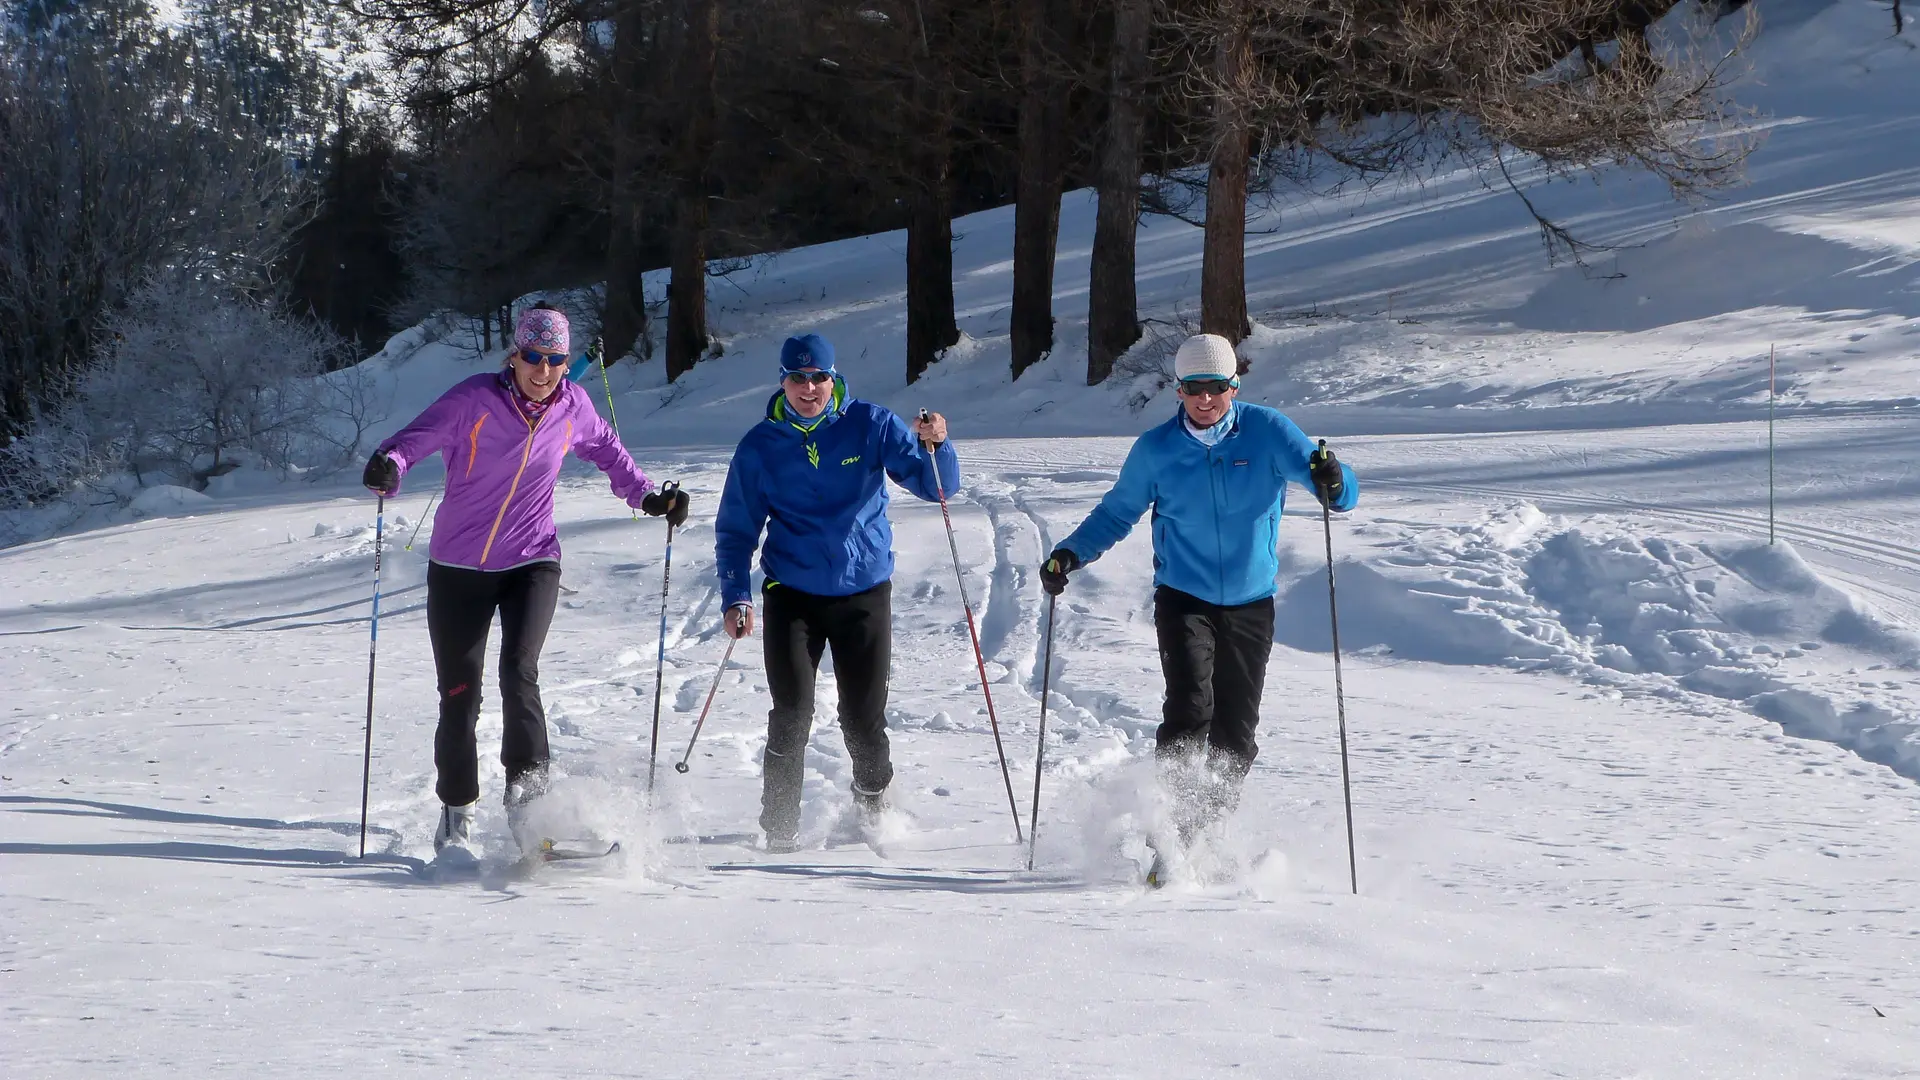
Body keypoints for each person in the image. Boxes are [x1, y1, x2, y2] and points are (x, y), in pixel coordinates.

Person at [362, 303, 690, 854]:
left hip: (532, 559)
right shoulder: (474, 400)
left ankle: (530, 811)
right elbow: (413, 440)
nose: (543, 370)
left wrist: (649, 496)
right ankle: (457, 814)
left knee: (520, 672)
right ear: (514, 355)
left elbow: (611, 454)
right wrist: (388, 465)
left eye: (555, 360)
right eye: (533, 357)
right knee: (459, 696)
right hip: (458, 568)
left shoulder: (573, 406)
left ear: (566, 363)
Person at [1038, 332, 1358, 883]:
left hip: (1251, 603)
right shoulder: (1157, 449)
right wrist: (1070, 554)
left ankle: (1202, 830)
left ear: (1233, 386)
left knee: (1236, 731)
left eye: (1215, 387)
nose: (1205, 400)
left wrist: (1335, 479)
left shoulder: (1267, 431)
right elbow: (1117, 513)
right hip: (1183, 597)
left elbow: (1338, 491)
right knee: (1189, 707)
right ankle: (1169, 832)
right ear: (1178, 390)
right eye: (1193, 389)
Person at [714, 333, 958, 854]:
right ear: (782, 380)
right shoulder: (761, 445)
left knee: (863, 720)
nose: (809, 388)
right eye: (798, 377)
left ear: (833, 377)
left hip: (863, 591)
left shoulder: (869, 423)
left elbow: (936, 485)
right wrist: (736, 594)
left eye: (818, 377)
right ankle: (779, 829)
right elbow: (736, 529)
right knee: (791, 713)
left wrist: (938, 442)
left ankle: (873, 807)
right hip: (791, 593)